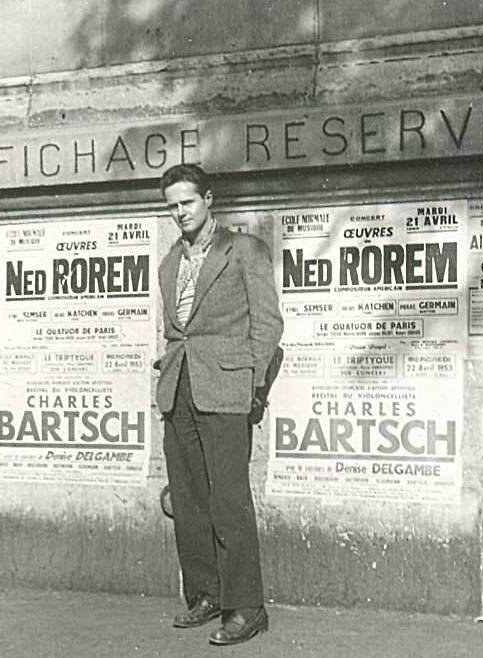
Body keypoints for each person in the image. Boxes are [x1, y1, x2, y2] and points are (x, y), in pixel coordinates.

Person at [154, 164, 283, 646]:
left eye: (187, 202)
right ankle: (205, 594)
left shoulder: (243, 250)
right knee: (188, 501)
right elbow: (180, 332)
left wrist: (252, 388)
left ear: (208, 199)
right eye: (172, 205)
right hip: (179, 390)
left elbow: (267, 326)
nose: (180, 212)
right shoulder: (170, 262)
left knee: (228, 500)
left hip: (226, 391)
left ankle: (246, 607)